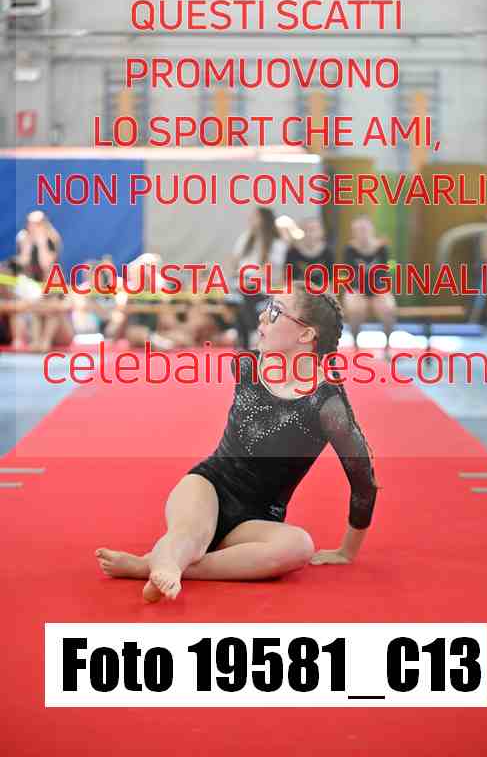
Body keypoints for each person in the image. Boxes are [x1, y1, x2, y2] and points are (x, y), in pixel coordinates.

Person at [95, 282, 378, 603]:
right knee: (190, 534)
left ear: (306, 335)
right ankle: (169, 564)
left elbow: (363, 479)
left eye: (275, 312)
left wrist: (346, 551)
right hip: (207, 487)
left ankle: (154, 565)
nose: (262, 317)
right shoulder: (247, 366)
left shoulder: (326, 403)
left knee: (299, 546)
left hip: (257, 521)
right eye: (266, 308)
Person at [14, 211, 74, 351]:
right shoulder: (23, 237)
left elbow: (46, 264)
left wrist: (41, 243)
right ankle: (36, 341)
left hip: (50, 284)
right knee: (38, 309)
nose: (34, 227)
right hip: (33, 285)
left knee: (51, 309)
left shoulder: (51, 238)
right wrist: (28, 245)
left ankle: (45, 340)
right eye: (31, 223)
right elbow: (22, 263)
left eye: (38, 224)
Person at [232, 206, 288, 347]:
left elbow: (274, 270)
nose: (250, 220)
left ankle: (252, 334)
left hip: (264, 286)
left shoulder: (277, 243)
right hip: (242, 282)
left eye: (255, 217)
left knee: (248, 294)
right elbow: (235, 261)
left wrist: (252, 277)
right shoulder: (245, 239)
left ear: (264, 220)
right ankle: (245, 338)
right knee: (238, 299)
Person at [342, 216, 396, 353]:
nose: (362, 233)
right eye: (358, 230)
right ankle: (355, 345)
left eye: (365, 229)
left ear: (372, 230)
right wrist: (358, 294)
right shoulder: (350, 249)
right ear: (354, 233)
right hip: (357, 288)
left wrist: (379, 292)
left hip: (378, 287)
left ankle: (387, 346)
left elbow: (384, 272)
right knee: (355, 310)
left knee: (388, 309)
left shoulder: (382, 248)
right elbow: (350, 275)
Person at [285, 217, 335, 285]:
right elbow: (288, 278)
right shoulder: (292, 252)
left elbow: (331, 278)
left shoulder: (327, 252)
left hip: (321, 289)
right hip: (298, 288)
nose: (309, 234)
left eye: (313, 230)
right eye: (305, 230)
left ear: (321, 232)